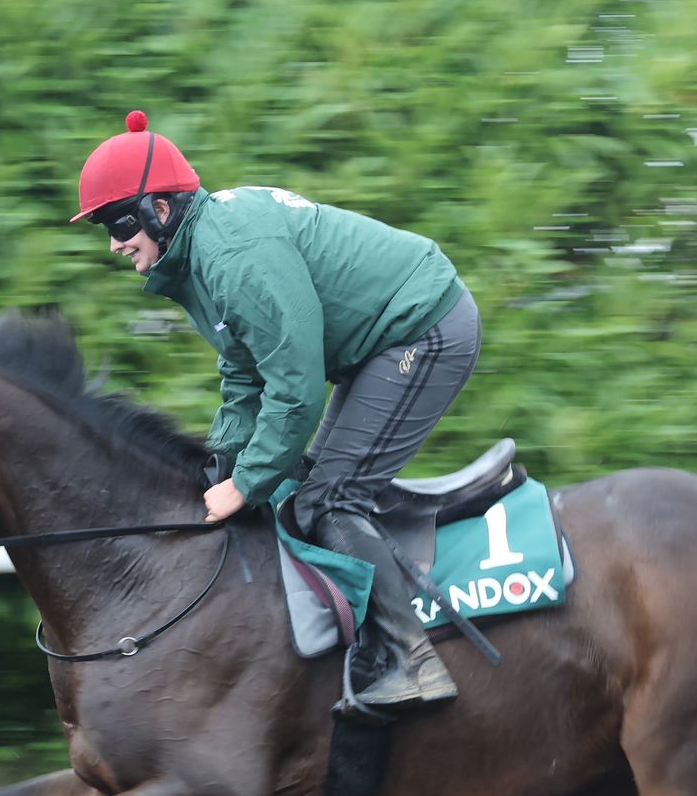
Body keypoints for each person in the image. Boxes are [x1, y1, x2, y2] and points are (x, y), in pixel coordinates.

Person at [75, 110, 481, 716]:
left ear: (160, 209)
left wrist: (247, 485)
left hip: (422, 329)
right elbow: (245, 372)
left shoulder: (231, 255)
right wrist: (220, 463)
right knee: (300, 487)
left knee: (325, 501)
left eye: (117, 221)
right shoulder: (196, 259)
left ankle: (410, 662)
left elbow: (294, 390)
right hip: (377, 345)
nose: (112, 241)